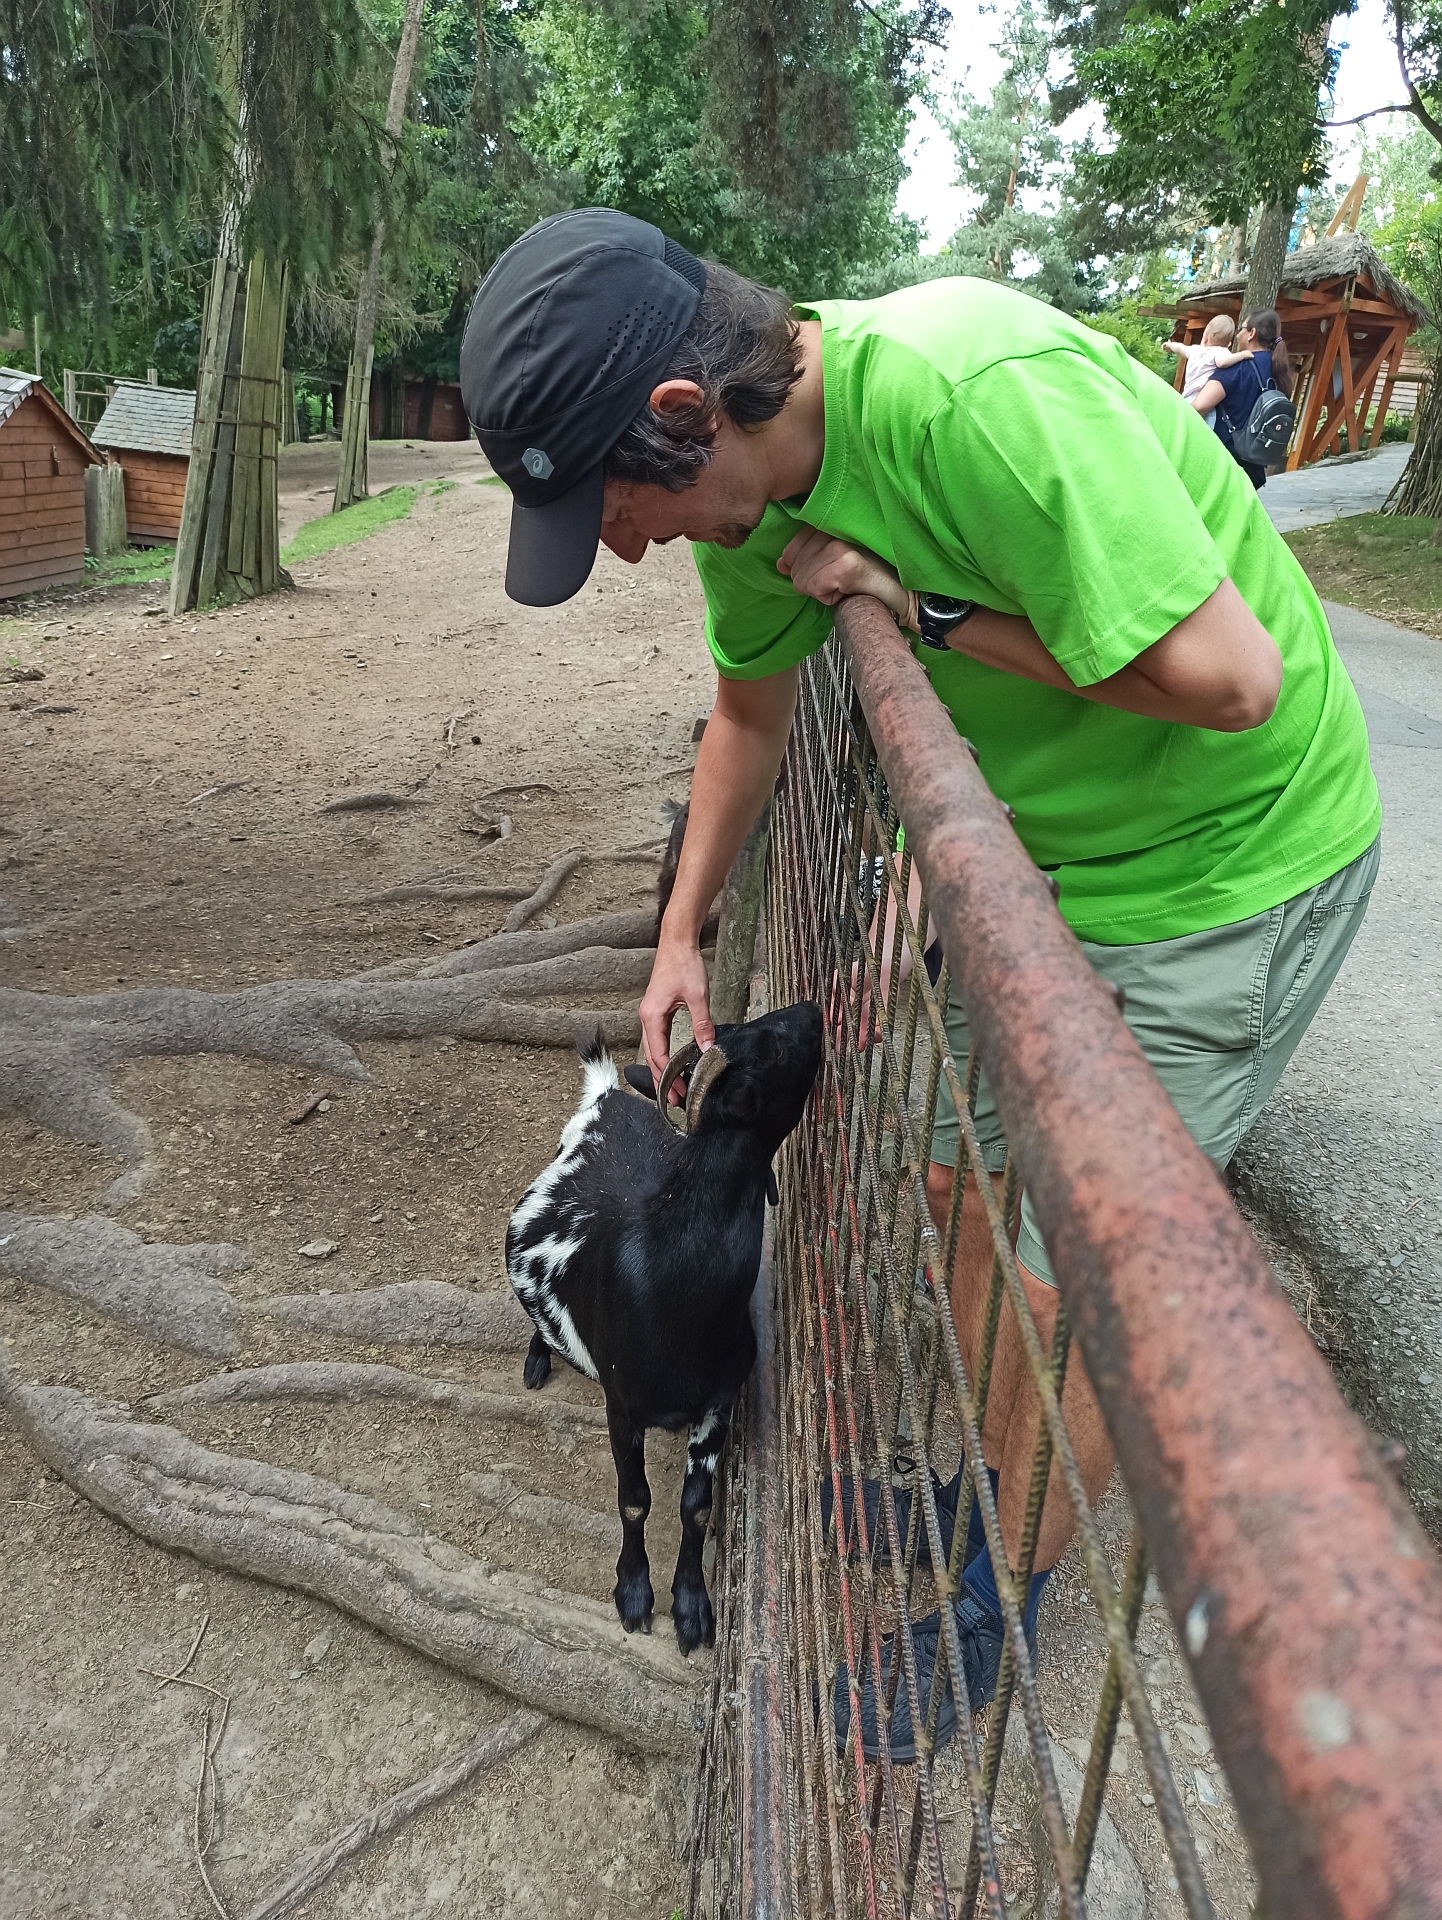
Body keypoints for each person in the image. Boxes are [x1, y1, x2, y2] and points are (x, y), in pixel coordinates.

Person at [459, 208, 1380, 1727]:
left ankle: (993, 1602)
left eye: (615, 505)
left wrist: (922, 610)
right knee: (963, 1187)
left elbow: (1232, 681)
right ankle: (987, 1489)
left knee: (1074, 1282)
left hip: (1222, 866)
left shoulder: (972, 394)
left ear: (685, 413)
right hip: (1030, 866)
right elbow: (748, 718)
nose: (619, 547)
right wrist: (680, 932)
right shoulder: (751, 514)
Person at [1193, 308, 1294, 488]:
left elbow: (1198, 406)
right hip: (1253, 465)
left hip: (1225, 462)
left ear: (1251, 333)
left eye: (1241, 329)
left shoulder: (1239, 367)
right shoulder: (1279, 370)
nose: (1238, 334)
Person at [1162, 312, 1253, 426]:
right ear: (1228, 344)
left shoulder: (1195, 350)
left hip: (1187, 398)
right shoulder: (1221, 351)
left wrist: (1170, 345)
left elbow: (1180, 348)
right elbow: (1222, 362)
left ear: (1205, 337)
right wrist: (1242, 355)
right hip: (1203, 399)